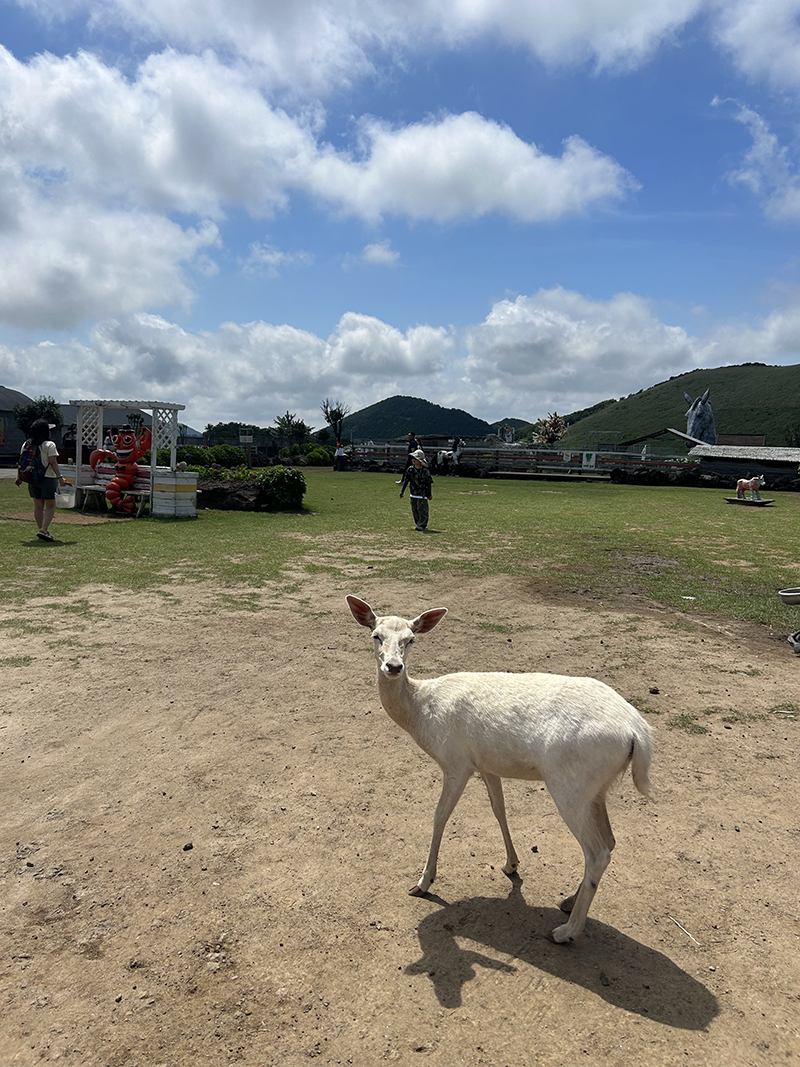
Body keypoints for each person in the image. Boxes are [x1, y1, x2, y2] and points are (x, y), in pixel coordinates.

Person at [16, 418, 68, 542]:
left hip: (32, 478)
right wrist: (60, 478)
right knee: (50, 505)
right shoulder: (49, 445)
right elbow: (53, 462)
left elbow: (22, 462)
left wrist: (19, 477)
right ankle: (43, 530)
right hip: (48, 478)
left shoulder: (26, 444)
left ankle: (42, 530)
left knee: (38, 506)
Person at [399, 448, 432, 531]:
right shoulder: (410, 470)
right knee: (415, 510)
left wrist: (429, 494)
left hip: (422, 494)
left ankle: (422, 524)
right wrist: (402, 491)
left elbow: (428, 483)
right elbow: (406, 481)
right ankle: (418, 523)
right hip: (413, 493)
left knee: (422, 510)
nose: (413, 460)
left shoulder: (425, 471)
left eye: (415, 459)